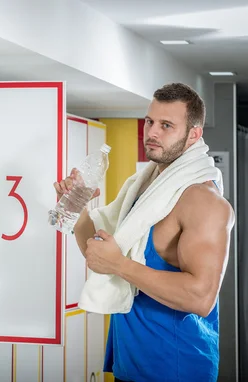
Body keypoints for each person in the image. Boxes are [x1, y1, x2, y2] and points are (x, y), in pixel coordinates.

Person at [54, 83, 235, 382]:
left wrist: (120, 265)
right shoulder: (146, 188)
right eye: (150, 121)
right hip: (130, 364)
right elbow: (99, 254)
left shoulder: (203, 202)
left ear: (194, 134)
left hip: (176, 368)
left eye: (166, 125)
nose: (151, 132)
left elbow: (201, 297)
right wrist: (78, 206)